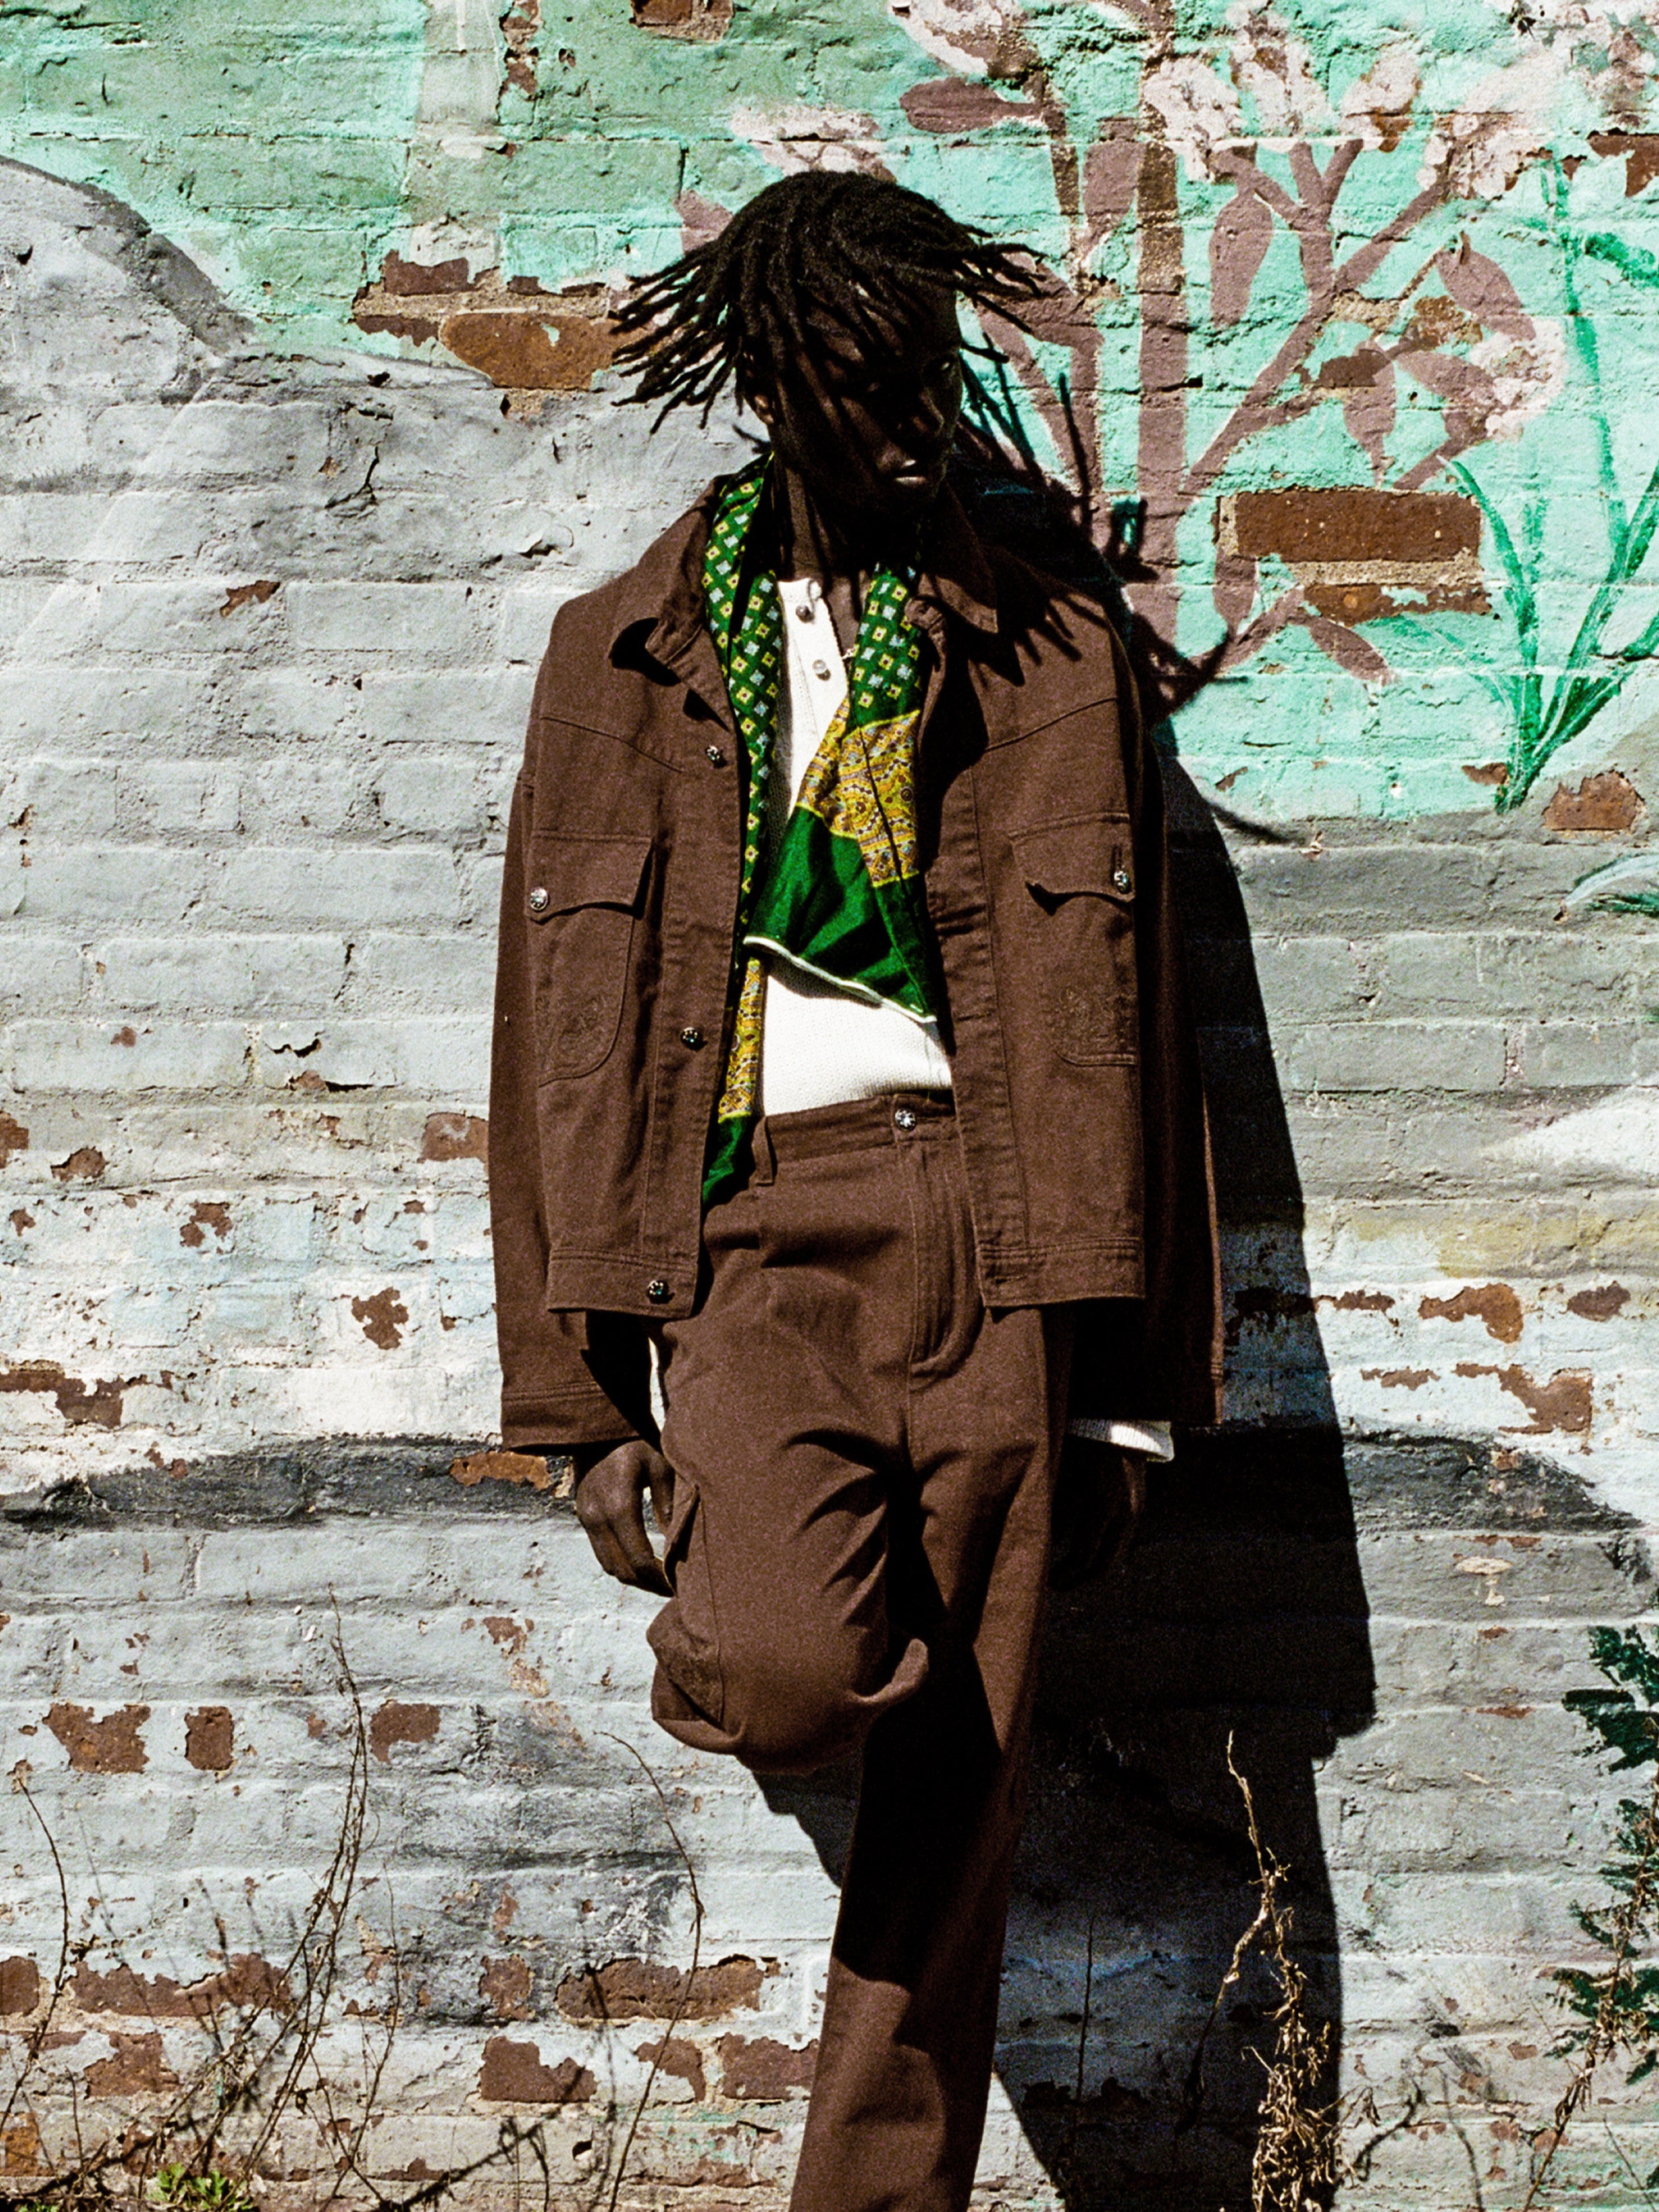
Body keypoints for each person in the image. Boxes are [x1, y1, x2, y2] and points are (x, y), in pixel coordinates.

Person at [488, 171, 1221, 2212]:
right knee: (795, 1670)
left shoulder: (1044, 645)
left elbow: (1137, 1028)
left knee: (959, 1800)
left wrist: (1129, 1385)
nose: (895, 415)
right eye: (845, 372)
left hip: (989, 1233)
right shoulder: (616, 659)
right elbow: (538, 1038)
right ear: (766, 379)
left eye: (918, 370)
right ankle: (781, 1605)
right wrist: (575, 1413)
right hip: (740, 1242)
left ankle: (872, 2201)